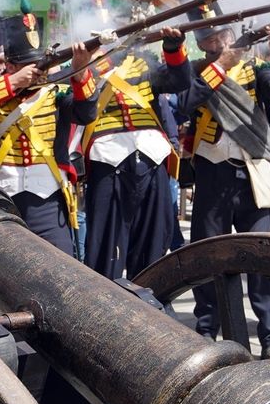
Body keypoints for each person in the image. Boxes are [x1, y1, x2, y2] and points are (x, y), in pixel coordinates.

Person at [178, 2, 270, 359]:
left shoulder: (255, 67)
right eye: (210, 36)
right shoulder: (200, 71)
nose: (218, 39)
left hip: (251, 170)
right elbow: (186, 102)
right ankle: (208, 327)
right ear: (202, 43)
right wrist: (221, 66)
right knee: (207, 254)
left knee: (262, 255)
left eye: (222, 32)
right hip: (212, 171)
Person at [0, 5, 97, 255]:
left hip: (49, 201)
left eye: (37, 64)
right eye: (26, 65)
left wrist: (81, 72)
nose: (36, 72)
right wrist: (14, 82)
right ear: (9, 66)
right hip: (3, 198)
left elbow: (86, 113)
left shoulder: (57, 92)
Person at [81, 21, 191, 281]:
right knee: (106, 250)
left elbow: (179, 80)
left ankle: (151, 302)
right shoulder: (85, 68)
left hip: (152, 159)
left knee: (152, 244)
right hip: (107, 162)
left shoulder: (142, 65)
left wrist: (173, 47)